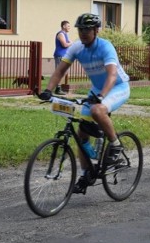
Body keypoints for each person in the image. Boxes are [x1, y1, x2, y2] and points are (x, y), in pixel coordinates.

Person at [39, 13, 130, 193]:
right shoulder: (76, 48)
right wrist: (48, 90)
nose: (83, 33)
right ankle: (86, 173)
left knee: (97, 111)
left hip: (117, 87)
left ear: (96, 30)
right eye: (80, 29)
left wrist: (102, 96)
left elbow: (112, 75)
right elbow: (59, 71)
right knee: (81, 135)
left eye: (87, 29)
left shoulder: (106, 47)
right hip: (97, 89)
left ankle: (116, 144)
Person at [53, 20, 72, 95]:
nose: (69, 28)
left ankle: (58, 87)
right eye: (68, 26)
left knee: (64, 72)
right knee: (60, 72)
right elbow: (64, 45)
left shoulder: (65, 34)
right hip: (60, 55)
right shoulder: (61, 34)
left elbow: (69, 44)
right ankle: (57, 88)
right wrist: (70, 43)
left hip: (64, 56)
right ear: (63, 26)